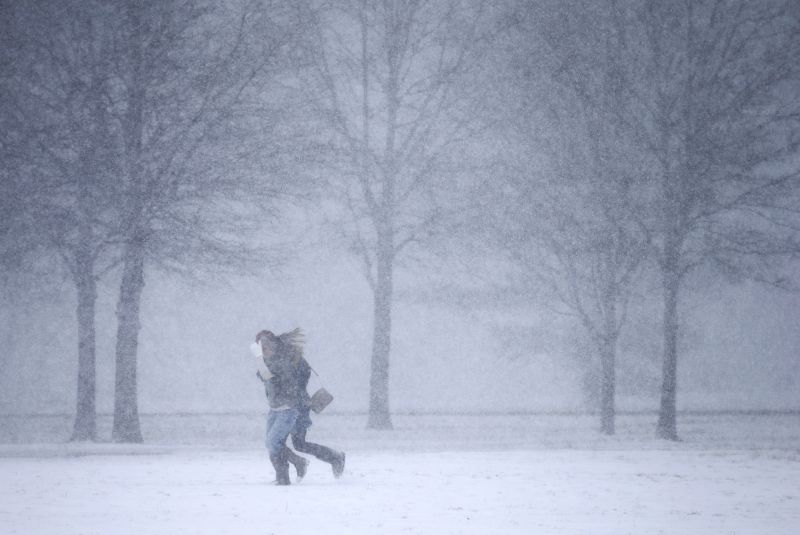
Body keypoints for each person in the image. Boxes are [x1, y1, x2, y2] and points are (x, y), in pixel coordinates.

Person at [252, 329, 309, 485]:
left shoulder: (281, 361)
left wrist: (258, 358)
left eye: (266, 347)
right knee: (273, 445)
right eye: (260, 348)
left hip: (288, 409)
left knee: (272, 442)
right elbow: (262, 375)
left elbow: (267, 375)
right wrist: (260, 359)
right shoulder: (267, 361)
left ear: (274, 346)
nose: (264, 351)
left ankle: (300, 463)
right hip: (275, 409)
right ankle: (282, 478)